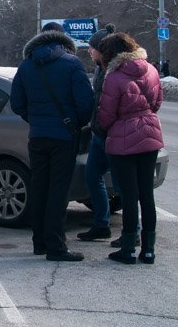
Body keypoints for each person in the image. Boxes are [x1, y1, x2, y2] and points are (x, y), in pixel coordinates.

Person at [10, 21, 95, 262]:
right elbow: (86, 102)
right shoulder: (71, 63)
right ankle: (56, 247)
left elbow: (17, 103)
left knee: (39, 187)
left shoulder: (26, 65)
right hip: (63, 137)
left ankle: (39, 243)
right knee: (58, 191)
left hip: (37, 136)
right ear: (62, 38)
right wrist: (73, 123)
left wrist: (35, 119)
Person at [95, 32, 164, 265]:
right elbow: (157, 103)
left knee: (129, 194)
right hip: (151, 134)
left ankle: (128, 249)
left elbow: (106, 115)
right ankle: (149, 250)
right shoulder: (152, 69)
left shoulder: (113, 77)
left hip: (123, 140)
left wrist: (105, 130)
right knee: (147, 194)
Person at [75, 24, 115, 242]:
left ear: (103, 49)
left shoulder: (115, 70)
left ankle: (133, 231)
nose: (89, 51)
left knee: (122, 185)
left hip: (114, 136)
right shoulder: (100, 68)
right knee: (93, 176)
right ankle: (102, 224)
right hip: (99, 134)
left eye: (92, 48)